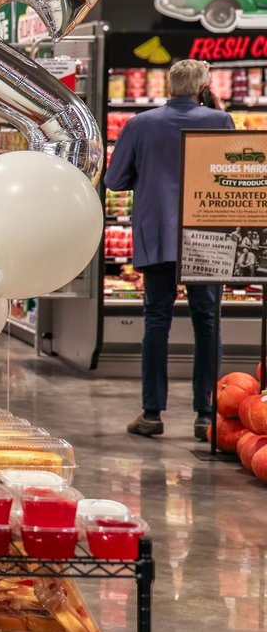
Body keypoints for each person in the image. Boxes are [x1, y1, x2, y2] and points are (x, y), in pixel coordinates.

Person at [105, 58, 234, 440]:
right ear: (203, 87)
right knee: (207, 321)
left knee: (156, 319)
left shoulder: (140, 124)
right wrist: (215, 108)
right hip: (207, 234)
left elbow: (114, 180)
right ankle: (206, 414)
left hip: (156, 232)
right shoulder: (219, 122)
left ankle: (151, 414)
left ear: (169, 85)